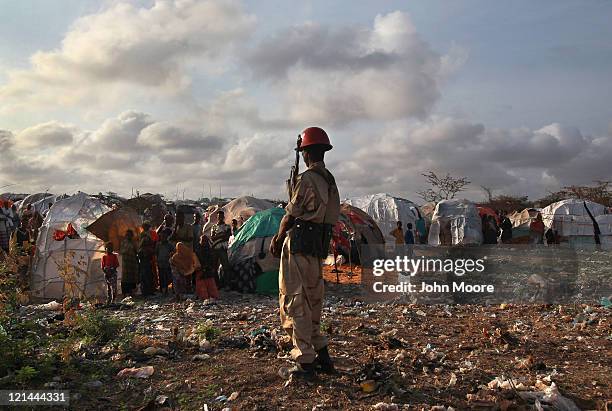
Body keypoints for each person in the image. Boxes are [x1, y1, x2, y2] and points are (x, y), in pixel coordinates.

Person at [270, 126, 340, 381]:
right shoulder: (329, 180)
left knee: (295, 300)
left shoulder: (308, 179)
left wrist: (278, 238)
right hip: (316, 248)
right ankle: (323, 356)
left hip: (299, 245)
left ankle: (305, 363)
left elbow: (291, 213)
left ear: (305, 152)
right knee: (312, 301)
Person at [195, 235, 220, 303]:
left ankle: (211, 296)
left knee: (210, 283)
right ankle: (203, 296)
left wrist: (209, 267)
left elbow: (212, 260)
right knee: (202, 283)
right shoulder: (198, 250)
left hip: (208, 269)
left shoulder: (209, 250)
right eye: (202, 241)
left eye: (205, 241)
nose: (204, 242)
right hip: (201, 269)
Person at [210, 210, 231, 287]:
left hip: (223, 248)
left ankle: (226, 284)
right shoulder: (214, 227)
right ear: (217, 217)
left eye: (222, 216)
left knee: (226, 267)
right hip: (215, 248)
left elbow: (227, 236)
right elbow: (212, 238)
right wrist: (221, 235)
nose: (220, 218)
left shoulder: (227, 226)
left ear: (223, 217)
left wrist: (218, 236)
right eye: (219, 216)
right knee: (214, 267)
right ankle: (217, 284)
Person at [138, 223, 156, 296]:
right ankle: (146, 290)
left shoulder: (146, 234)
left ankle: (148, 290)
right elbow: (143, 244)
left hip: (146, 256)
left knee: (148, 273)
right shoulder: (144, 235)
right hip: (144, 256)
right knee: (146, 273)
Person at [156, 228, 174, 297]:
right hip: (160, 263)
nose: (163, 237)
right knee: (161, 276)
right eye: (162, 236)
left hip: (167, 263)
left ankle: (166, 289)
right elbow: (156, 253)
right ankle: (162, 289)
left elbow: (173, 252)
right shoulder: (158, 244)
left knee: (167, 276)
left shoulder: (169, 245)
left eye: (164, 236)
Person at [120, 230, 139, 296]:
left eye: (130, 235)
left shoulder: (134, 243)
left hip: (132, 262)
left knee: (132, 277)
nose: (128, 236)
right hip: (125, 262)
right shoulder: (123, 243)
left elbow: (137, 251)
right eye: (127, 235)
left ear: (132, 236)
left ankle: (131, 292)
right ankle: (125, 293)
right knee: (125, 278)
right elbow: (121, 251)